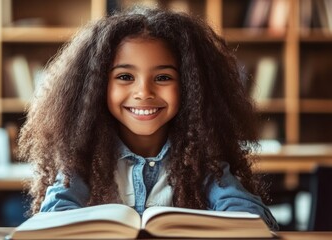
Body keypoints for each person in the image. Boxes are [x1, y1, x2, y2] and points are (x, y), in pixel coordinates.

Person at [18, 6, 278, 230]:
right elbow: (50, 222)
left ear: (190, 86)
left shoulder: (201, 160)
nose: (144, 92)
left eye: (163, 77)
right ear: (97, 87)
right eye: (125, 77)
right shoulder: (83, 160)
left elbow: (251, 220)